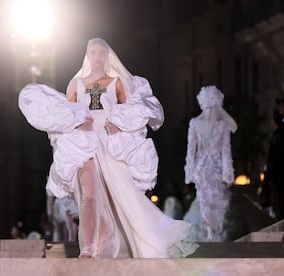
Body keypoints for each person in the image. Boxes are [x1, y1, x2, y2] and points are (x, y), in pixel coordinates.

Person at [19, 38, 198, 258]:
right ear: (87, 55)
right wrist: (77, 122)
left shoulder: (117, 82)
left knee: (117, 196)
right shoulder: (75, 84)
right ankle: (88, 248)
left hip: (109, 143)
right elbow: (66, 114)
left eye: (101, 52)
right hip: (84, 142)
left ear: (107, 55)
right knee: (90, 195)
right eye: (93, 52)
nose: (97, 56)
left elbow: (131, 110)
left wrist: (119, 125)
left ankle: (112, 245)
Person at [184, 86, 237, 242]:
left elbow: (190, 151)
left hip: (201, 168)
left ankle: (209, 231)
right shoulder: (223, 125)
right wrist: (228, 174)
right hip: (216, 168)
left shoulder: (194, 124)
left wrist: (190, 171)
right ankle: (213, 232)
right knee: (215, 200)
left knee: (204, 199)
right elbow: (226, 151)